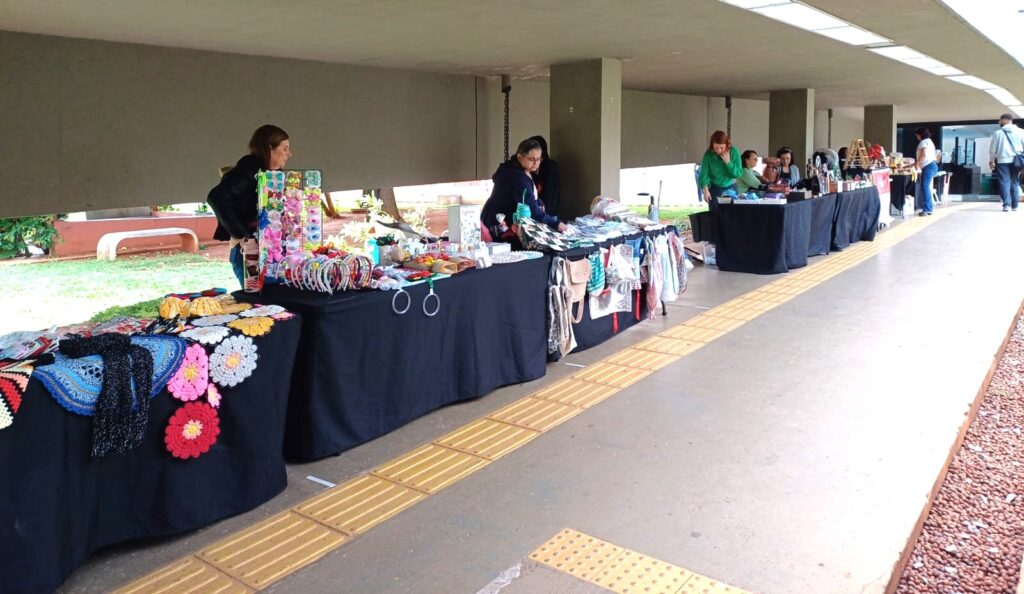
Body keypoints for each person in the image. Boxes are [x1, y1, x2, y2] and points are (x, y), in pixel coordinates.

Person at [207, 124, 291, 286]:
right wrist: (242, 236)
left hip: (271, 253)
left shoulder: (272, 173)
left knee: (279, 304)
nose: (289, 154)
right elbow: (217, 197)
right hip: (250, 253)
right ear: (269, 148)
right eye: (285, 148)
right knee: (260, 304)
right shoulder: (248, 168)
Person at [481, 137, 566, 238]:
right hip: (500, 224)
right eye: (532, 159)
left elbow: (528, 195)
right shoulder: (515, 176)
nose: (536, 163)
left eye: (539, 159)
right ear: (520, 157)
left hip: (502, 220)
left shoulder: (522, 170)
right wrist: (555, 224)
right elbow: (529, 206)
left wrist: (538, 202)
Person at [697, 130, 742, 209]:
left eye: (722, 147)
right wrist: (705, 190)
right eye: (716, 148)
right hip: (715, 187)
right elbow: (704, 174)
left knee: (732, 214)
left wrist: (728, 162)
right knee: (715, 214)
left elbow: (738, 174)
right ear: (712, 146)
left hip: (730, 186)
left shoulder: (734, 152)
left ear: (727, 145)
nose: (719, 150)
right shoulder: (709, 154)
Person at [989, 113, 1023, 212]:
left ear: (1006, 120)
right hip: (1017, 161)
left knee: (1004, 182)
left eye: (1000, 120)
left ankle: (1007, 205)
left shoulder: (998, 133)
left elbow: (993, 149)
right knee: (1014, 182)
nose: (999, 122)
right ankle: (1015, 205)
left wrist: (991, 160)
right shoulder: (1021, 132)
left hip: (1002, 161)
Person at [529, 135, 561, 217]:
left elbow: (550, 194)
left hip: (549, 213)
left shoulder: (550, 167)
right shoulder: (533, 167)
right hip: (537, 211)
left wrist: (545, 215)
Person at [914, 127, 938, 216]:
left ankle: (928, 209)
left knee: (925, 187)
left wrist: (917, 163)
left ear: (920, 134)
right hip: (931, 165)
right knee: (926, 187)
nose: (917, 137)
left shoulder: (924, 142)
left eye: (917, 135)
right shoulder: (929, 141)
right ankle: (928, 208)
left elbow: (923, 155)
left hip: (929, 166)